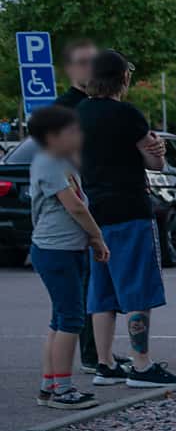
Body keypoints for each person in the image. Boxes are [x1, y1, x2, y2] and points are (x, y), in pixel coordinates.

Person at [77, 49, 176, 388]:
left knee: (102, 290)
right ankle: (141, 365)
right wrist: (159, 153)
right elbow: (155, 163)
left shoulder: (79, 113)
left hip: (95, 213)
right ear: (122, 78)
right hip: (130, 210)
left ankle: (105, 363)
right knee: (137, 286)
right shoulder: (128, 115)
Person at [25, 105, 111, 409]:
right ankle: (63, 389)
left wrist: (89, 238)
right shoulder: (49, 163)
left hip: (65, 249)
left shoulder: (61, 162)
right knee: (71, 319)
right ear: (52, 136)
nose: (78, 135)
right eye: (71, 131)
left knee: (60, 318)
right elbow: (74, 206)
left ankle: (49, 386)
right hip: (55, 251)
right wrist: (97, 235)